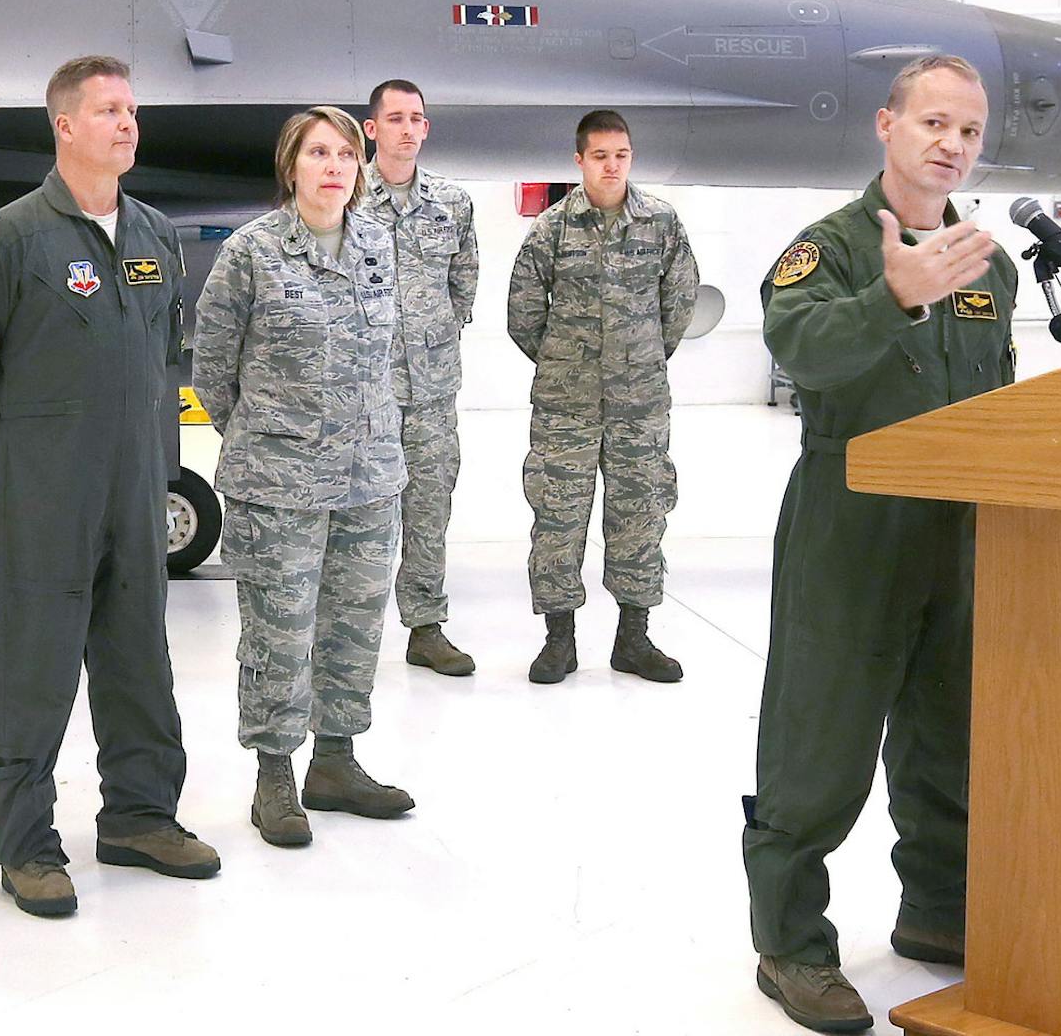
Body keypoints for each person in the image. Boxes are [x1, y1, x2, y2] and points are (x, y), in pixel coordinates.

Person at [742, 55, 1017, 1033]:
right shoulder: (832, 249)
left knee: (950, 741)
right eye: (934, 122)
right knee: (819, 745)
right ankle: (790, 943)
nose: (952, 143)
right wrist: (892, 296)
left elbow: (997, 398)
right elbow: (799, 349)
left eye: (970, 131)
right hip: (850, 531)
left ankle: (940, 912)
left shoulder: (994, 265)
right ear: (886, 126)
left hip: (959, 532)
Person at [0, 55, 218, 918]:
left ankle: (139, 815)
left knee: (138, 650)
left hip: (136, 482)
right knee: (33, 661)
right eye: (107, 111)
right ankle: (25, 842)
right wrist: (19, 451)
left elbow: (165, 352)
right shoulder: (11, 237)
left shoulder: (155, 234)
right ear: (63, 125)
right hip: (44, 486)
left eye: (132, 110)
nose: (127, 124)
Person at [194, 105, 413, 849]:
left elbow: (387, 352)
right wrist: (266, 440)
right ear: (292, 167)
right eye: (318, 152)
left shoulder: (379, 244)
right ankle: (275, 776)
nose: (334, 166)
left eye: (346, 154)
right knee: (281, 634)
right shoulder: (253, 251)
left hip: (369, 474)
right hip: (278, 482)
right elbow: (212, 367)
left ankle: (337, 761)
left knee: (353, 627)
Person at [506, 110, 698, 686]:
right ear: (579, 161)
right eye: (600, 156)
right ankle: (559, 639)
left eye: (621, 155)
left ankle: (633, 638)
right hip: (566, 404)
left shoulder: (661, 223)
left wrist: (640, 358)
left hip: (640, 402)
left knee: (641, 512)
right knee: (558, 516)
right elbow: (522, 313)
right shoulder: (552, 229)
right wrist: (566, 362)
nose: (611, 166)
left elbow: (680, 301)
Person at [360, 79, 479, 678]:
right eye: (396, 118)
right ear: (372, 129)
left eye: (417, 119)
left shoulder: (452, 203)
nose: (407, 129)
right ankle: (344, 633)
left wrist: (432, 344)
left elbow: (464, 285)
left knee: (429, 508)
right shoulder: (347, 200)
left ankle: (426, 629)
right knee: (359, 515)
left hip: (432, 393)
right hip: (364, 395)